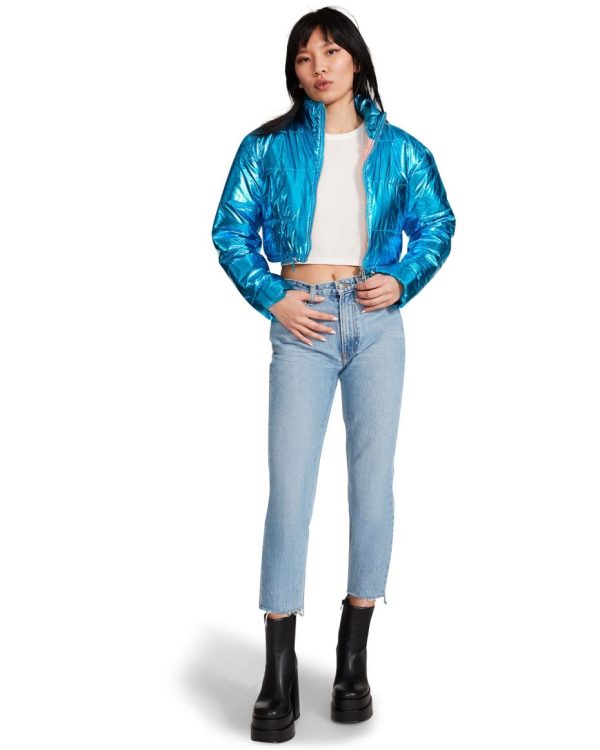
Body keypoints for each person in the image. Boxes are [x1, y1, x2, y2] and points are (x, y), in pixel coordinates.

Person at [212, 6, 456, 742]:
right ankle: (278, 670)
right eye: (303, 56)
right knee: (290, 490)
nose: (317, 66)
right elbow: (230, 230)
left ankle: (353, 661)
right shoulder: (267, 146)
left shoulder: (402, 149)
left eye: (330, 52)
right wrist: (273, 295)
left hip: (376, 324)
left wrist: (404, 277)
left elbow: (438, 224)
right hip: (303, 324)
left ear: (356, 59)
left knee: (371, 486)